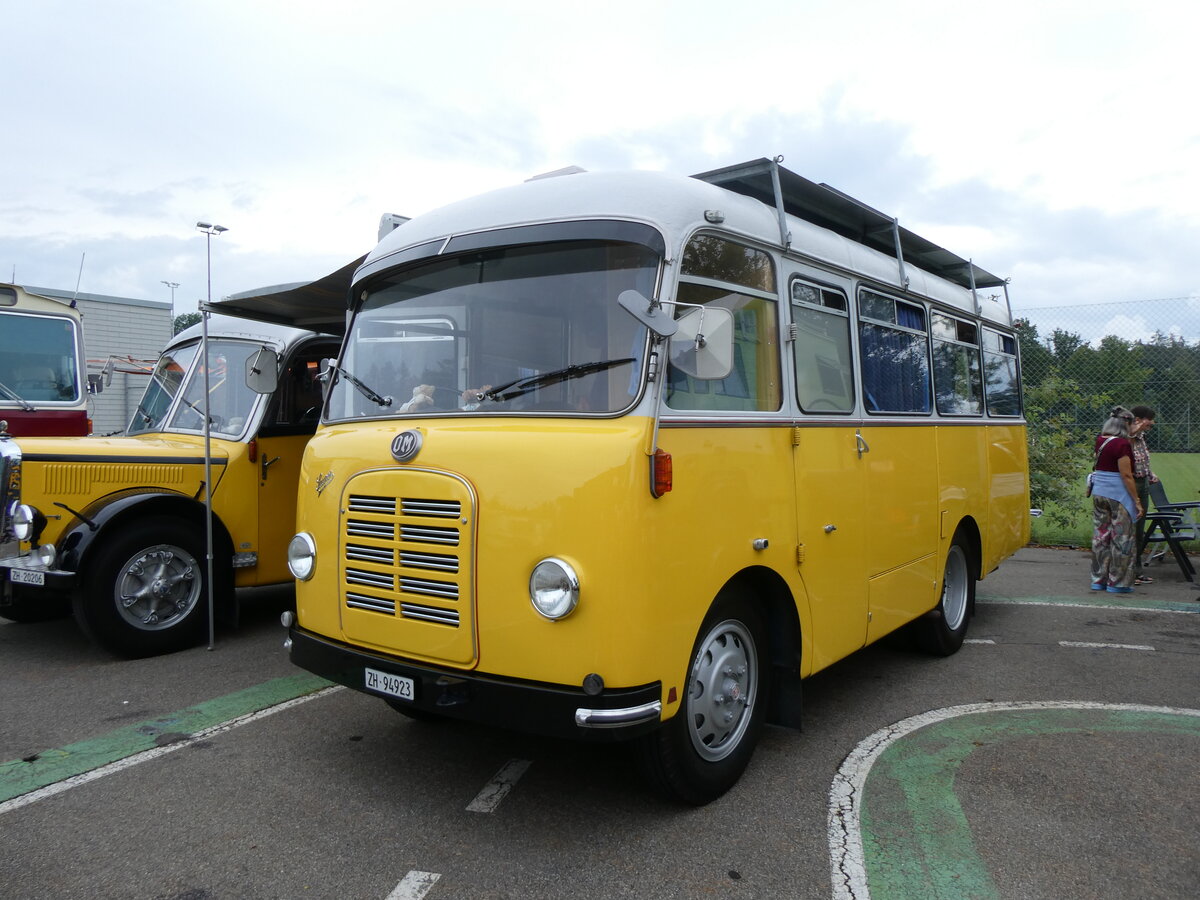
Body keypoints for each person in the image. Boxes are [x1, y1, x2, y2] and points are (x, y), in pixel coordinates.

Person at [1089, 406, 1144, 593]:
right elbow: (1126, 475)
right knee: (1122, 539)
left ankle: (1098, 579)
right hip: (1118, 496)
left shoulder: (1100, 440)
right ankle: (1118, 583)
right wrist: (1136, 501)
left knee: (1101, 537)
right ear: (1125, 424)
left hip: (1099, 493)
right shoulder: (1122, 445)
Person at [1129, 405, 1158, 584]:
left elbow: (1142, 462)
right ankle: (1127, 571)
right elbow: (1128, 438)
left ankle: (1136, 570)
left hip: (1143, 483)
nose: (1152, 423)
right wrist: (1137, 426)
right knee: (1130, 530)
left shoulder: (1141, 437)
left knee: (1139, 531)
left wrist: (1150, 474)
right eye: (1149, 419)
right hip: (1131, 485)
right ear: (1138, 419)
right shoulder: (1127, 436)